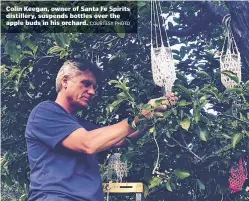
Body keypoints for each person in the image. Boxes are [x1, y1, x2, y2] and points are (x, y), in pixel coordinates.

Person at [25, 59, 177, 201]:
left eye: (94, 87)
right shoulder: (45, 112)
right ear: (65, 81)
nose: (92, 91)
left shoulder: (82, 126)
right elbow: (88, 144)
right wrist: (139, 115)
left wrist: (150, 117)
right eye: (86, 83)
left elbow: (122, 140)